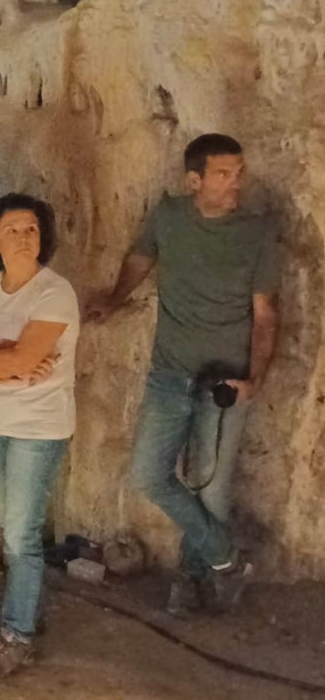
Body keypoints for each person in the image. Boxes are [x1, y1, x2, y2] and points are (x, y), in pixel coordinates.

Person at [86, 133, 279, 614]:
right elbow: (140, 258)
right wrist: (113, 298)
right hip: (169, 373)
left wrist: (254, 378)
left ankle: (189, 583)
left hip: (225, 382)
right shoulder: (169, 216)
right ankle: (225, 559)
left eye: (239, 172)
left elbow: (266, 314)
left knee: (211, 489)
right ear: (195, 179)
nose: (236, 182)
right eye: (223, 174)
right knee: (150, 475)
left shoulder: (258, 233)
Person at [0, 194, 79, 678]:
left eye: (31, 229)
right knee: (12, 527)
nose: (24, 237)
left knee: (21, 535)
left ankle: (17, 634)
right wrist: (6, 364)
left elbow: (0, 358)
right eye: (14, 230)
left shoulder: (54, 293)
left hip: (37, 428)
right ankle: (30, 613)